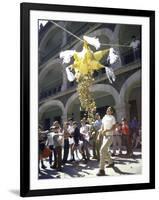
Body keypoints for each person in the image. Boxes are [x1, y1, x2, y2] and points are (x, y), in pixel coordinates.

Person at [97, 107, 116, 176]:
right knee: (104, 150)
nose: (108, 110)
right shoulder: (104, 117)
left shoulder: (112, 118)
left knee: (102, 150)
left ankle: (102, 170)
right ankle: (111, 162)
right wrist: (99, 135)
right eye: (107, 109)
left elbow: (114, 127)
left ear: (112, 112)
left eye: (109, 110)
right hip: (104, 137)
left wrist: (107, 130)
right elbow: (102, 127)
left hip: (110, 136)